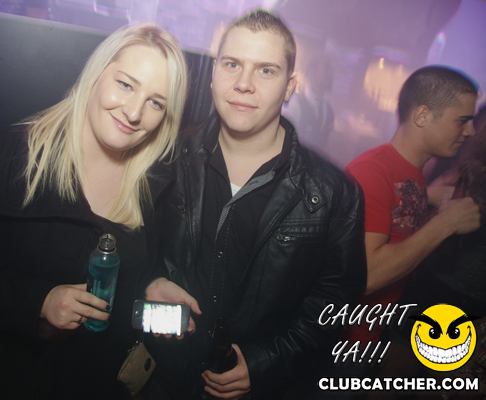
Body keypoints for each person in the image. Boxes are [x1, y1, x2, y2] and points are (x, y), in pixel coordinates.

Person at [0, 23, 188, 399]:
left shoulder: (154, 185)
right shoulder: (5, 158)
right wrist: (38, 303)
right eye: (125, 84)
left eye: (156, 102)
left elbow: (129, 274)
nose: (134, 112)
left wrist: (152, 283)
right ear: (96, 74)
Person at [144, 9, 367, 399]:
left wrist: (267, 362)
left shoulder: (334, 193)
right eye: (232, 64)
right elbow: (127, 245)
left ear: (290, 87)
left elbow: (333, 307)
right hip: (161, 377)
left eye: (265, 70)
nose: (243, 84)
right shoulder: (164, 158)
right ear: (213, 73)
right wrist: (147, 282)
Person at [341, 66, 481, 359]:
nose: (470, 131)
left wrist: (427, 198)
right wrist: (445, 224)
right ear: (422, 116)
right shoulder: (372, 172)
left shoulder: (410, 172)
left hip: (372, 335)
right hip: (344, 344)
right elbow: (367, 276)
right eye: (462, 121)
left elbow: (394, 226)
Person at [282, 57, 335, 152]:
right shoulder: (294, 104)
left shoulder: (329, 111)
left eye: (331, 71)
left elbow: (325, 142)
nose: (330, 74)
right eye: (325, 70)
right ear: (311, 73)